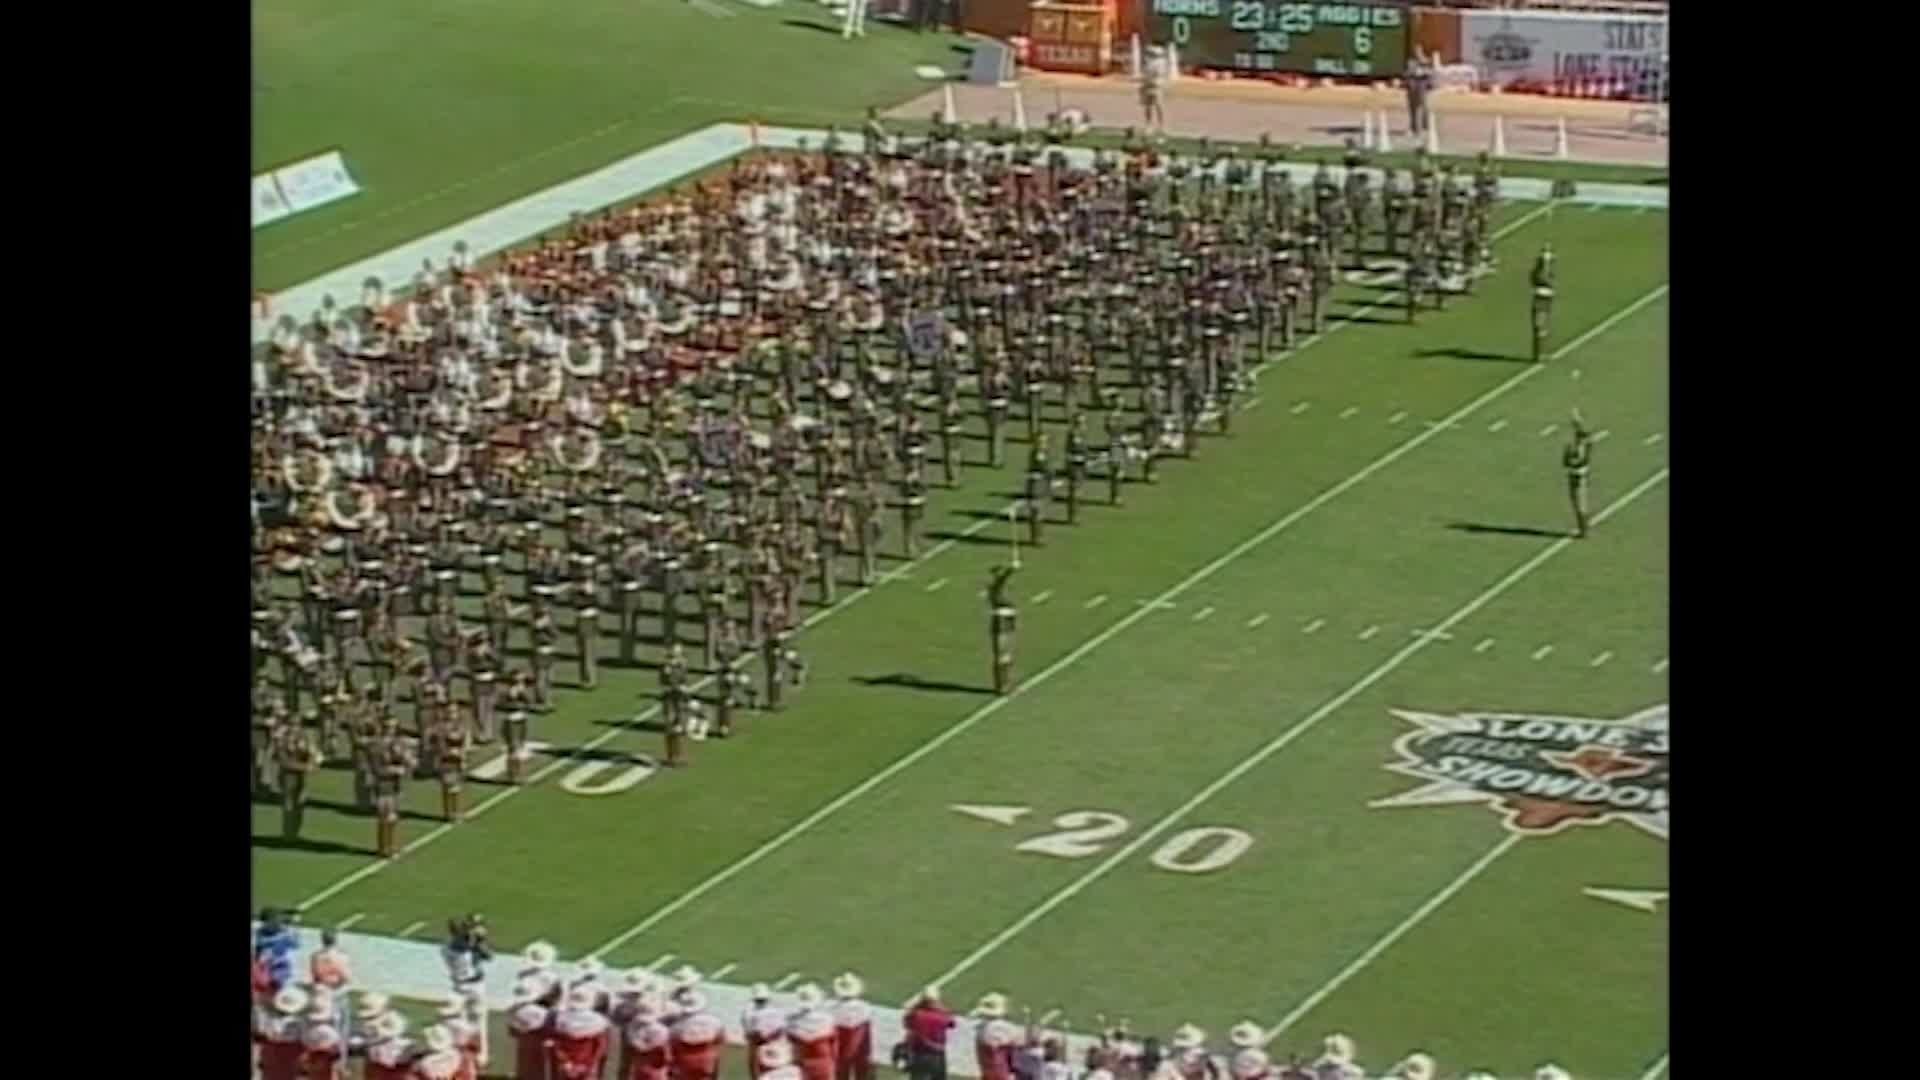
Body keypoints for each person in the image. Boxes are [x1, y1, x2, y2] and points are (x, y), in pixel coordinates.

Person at [903, 987, 956, 1080]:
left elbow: (906, 1022)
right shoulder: (942, 1014)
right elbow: (952, 1023)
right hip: (938, 1054)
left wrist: (915, 1005)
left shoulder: (917, 1014)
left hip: (920, 1054)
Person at [832, 973, 874, 1080]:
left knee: (841, 1075)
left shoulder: (834, 1010)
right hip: (861, 1050)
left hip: (841, 1051)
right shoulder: (865, 1008)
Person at [1562, 416, 1593, 539]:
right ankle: (1582, 527)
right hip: (1574, 474)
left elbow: (1578, 461)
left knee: (1579, 502)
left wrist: (1578, 423)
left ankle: (1583, 529)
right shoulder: (1576, 447)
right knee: (1576, 502)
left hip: (1578, 475)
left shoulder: (1582, 448)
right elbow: (1565, 462)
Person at [1529, 242, 1555, 363]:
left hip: (1545, 297)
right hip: (1541, 298)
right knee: (1540, 327)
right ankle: (1539, 354)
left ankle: (1540, 353)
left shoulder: (1543, 268)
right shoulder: (1540, 270)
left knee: (1541, 327)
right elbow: (1543, 279)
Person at [1140, 46, 1169, 134]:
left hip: (1157, 86)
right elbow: (1145, 74)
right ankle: (1149, 125)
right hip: (1147, 85)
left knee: (1158, 106)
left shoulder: (1161, 63)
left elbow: (1159, 75)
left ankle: (1161, 125)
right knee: (1148, 107)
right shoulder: (1147, 62)